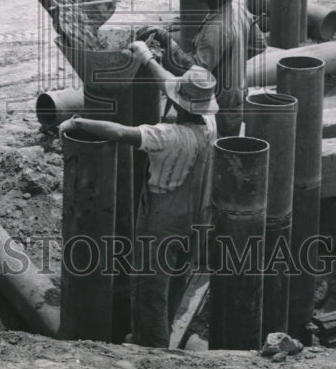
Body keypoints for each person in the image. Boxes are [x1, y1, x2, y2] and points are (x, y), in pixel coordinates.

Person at [58, 51, 218, 349]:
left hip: (162, 223)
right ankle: (161, 333)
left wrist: (78, 122)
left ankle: (151, 350)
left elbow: (119, 131)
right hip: (197, 219)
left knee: (149, 290)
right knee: (176, 282)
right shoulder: (209, 124)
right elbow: (170, 83)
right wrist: (147, 58)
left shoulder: (167, 136)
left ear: (178, 102)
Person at [139, 0, 266, 138]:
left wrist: (168, 42)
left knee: (209, 158)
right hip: (234, 102)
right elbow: (260, 44)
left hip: (214, 110)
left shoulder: (217, 30)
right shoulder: (238, 9)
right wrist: (229, 63)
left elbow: (197, 71)